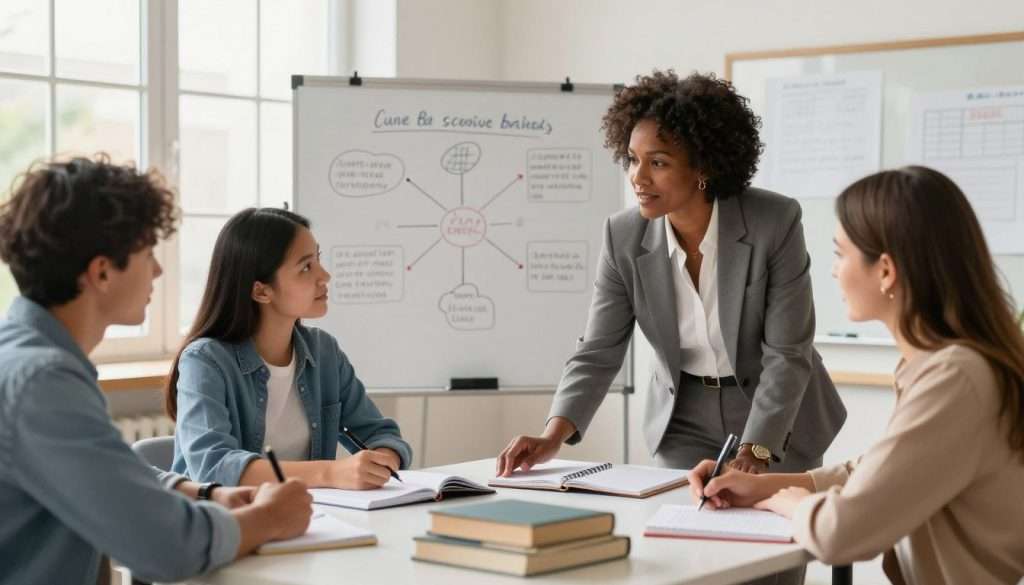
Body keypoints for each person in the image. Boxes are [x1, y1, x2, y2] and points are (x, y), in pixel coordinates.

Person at [497, 70, 845, 477]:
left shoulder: (775, 222)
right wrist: (552, 436)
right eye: (632, 159)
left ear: (704, 167)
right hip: (684, 415)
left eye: (658, 163)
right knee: (681, 527)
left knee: (770, 530)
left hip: (775, 414)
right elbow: (598, 350)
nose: (637, 178)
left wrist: (756, 450)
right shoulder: (623, 236)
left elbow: (787, 353)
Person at [689, 167, 1024, 584]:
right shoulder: (941, 366)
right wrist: (763, 486)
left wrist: (791, 504)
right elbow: (878, 471)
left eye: (840, 254)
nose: (834, 271)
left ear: (885, 271)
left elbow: (840, 534)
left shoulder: (956, 378)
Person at [0, 156, 313, 585]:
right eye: (148, 253)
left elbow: (104, 477)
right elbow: (166, 548)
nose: (159, 270)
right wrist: (270, 518)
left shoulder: (25, 358)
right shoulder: (42, 382)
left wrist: (205, 493)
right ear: (102, 272)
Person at [167, 207, 412, 490]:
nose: (325, 276)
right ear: (261, 291)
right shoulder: (205, 361)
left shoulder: (324, 352)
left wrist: (382, 459)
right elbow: (213, 465)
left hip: (309, 520)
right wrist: (330, 473)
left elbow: (380, 434)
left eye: (318, 259)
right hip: (228, 525)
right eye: (306, 267)